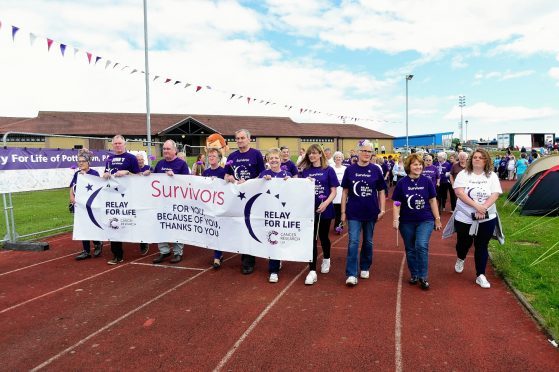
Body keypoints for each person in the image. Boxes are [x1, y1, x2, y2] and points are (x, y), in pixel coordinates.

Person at [446, 148, 502, 289]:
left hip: (487, 216)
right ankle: (461, 258)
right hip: (465, 217)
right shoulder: (463, 174)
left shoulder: (492, 176)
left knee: (481, 245)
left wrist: (484, 207)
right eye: (475, 157)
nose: (477, 159)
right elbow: (459, 193)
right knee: (463, 244)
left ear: (486, 160)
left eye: (480, 157)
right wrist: (476, 206)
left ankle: (480, 275)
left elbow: (495, 194)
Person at [392, 153, 442, 290]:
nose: (418, 167)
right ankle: (414, 274)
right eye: (415, 164)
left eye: (420, 164)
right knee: (410, 248)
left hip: (425, 220)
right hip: (406, 222)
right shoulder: (402, 183)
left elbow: (432, 201)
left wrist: (437, 219)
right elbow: (397, 202)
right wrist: (395, 219)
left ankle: (423, 276)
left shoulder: (427, 181)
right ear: (409, 166)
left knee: (421, 245)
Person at [341, 140, 386, 286]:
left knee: (368, 241)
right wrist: (342, 212)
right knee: (353, 241)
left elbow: (381, 191)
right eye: (364, 151)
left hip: (371, 211)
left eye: (369, 151)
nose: (367, 154)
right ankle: (351, 273)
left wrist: (383, 209)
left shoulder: (376, 170)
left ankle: (365, 266)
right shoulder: (350, 170)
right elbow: (345, 192)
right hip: (353, 212)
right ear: (358, 152)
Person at [225, 129, 266, 275]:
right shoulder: (232, 156)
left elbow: (263, 174)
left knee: (252, 226)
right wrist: (229, 177)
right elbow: (226, 173)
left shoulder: (256, 154)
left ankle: (250, 259)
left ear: (249, 139)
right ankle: (246, 258)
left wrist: (249, 182)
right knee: (241, 226)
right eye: (237, 138)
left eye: (243, 138)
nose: (240, 140)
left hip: (253, 196)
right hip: (238, 198)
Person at [299, 144, 339, 285]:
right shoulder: (305, 171)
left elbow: (334, 191)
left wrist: (325, 203)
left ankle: (327, 258)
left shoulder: (328, 170)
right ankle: (312, 270)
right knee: (311, 239)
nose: (312, 155)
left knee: (323, 236)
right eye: (310, 153)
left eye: (315, 153)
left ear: (320, 154)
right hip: (309, 211)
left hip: (325, 209)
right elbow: (297, 187)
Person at [147, 140, 191, 264]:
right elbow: (153, 182)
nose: (165, 151)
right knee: (160, 224)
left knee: (176, 225)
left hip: (177, 202)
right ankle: (164, 251)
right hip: (161, 202)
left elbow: (187, 183)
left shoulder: (181, 164)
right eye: (164, 149)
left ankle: (178, 252)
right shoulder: (160, 163)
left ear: (175, 150)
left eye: (168, 149)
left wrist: (175, 177)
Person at [102, 135, 140, 265]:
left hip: (129, 196)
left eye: (120, 143)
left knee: (132, 222)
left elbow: (139, 177)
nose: (118, 145)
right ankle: (117, 254)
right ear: (112, 145)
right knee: (114, 224)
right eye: (115, 144)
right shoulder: (110, 159)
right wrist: (105, 175)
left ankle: (143, 241)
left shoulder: (131, 158)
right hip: (113, 197)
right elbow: (106, 175)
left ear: (125, 144)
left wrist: (127, 173)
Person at [259, 148, 292, 283]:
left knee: (278, 239)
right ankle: (274, 268)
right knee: (272, 239)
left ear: (280, 159)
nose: (273, 160)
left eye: (276, 158)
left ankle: (275, 264)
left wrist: (290, 181)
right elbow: (254, 187)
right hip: (268, 213)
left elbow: (295, 190)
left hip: (282, 213)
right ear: (267, 160)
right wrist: (262, 180)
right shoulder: (263, 174)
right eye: (271, 158)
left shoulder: (287, 174)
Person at [70, 149, 103, 260]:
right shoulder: (76, 174)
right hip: (79, 205)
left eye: (83, 161)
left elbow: (97, 188)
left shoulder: (94, 173)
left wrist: (85, 177)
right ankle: (86, 251)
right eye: (79, 161)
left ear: (88, 162)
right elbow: (72, 186)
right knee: (82, 227)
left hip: (91, 205)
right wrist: (71, 197)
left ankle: (98, 244)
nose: (80, 163)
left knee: (92, 225)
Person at [202, 148, 227, 269]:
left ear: (219, 158)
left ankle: (218, 256)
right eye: (210, 156)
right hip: (208, 206)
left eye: (214, 156)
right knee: (212, 231)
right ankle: (218, 254)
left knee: (219, 230)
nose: (211, 158)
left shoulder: (223, 172)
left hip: (220, 206)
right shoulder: (205, 172)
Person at [332, 151, 347, 234]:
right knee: (334, 212)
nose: (338, 158)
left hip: (342, 193)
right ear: (334, 159)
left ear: (342, 159)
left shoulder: (345, 169)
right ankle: (335, 225)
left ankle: (339, 227)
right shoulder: (331, 168)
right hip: (333, 193)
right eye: (337, 157)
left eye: (340, 157)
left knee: (340, 211)